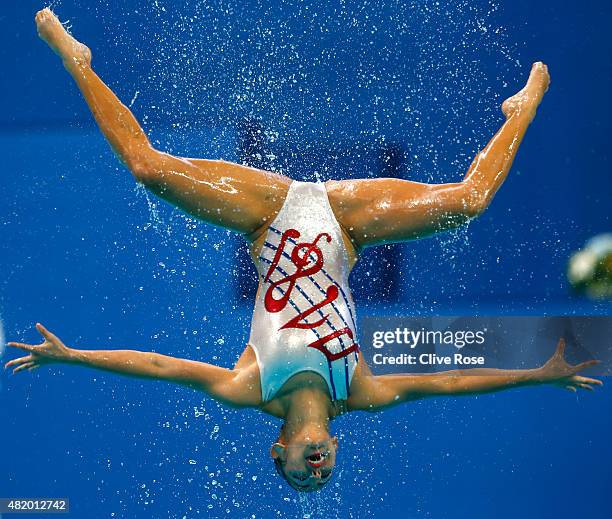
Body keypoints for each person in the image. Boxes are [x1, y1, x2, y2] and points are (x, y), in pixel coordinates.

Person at [5, 8, 602, 492]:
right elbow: (447, 382)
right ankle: (519, 111)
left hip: (266, 215)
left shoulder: (249, 387)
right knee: (469, 202)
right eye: (325, 474)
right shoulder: (359, 390)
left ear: (281, 448)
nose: (316, 467)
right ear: (335, 449)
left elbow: (158, 366)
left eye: (301, 474)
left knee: (147, 169)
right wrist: (537, 375)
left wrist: (72, 356)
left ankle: (78, 62)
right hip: (347, 226)